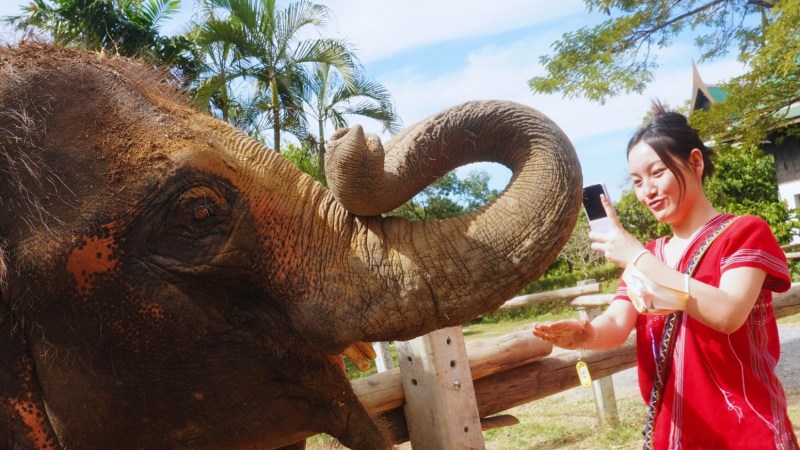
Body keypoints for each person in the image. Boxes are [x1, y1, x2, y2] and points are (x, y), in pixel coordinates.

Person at [533, 102, 798, 449]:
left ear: (696, 162)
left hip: (748, 431)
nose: (647, 192)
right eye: (637, 182)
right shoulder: (650, 253)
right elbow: (615, 324)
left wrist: (636, 257)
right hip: (676, 434)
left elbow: (729, 314)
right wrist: (583, 334)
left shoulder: (744, 232)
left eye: (657, 173)